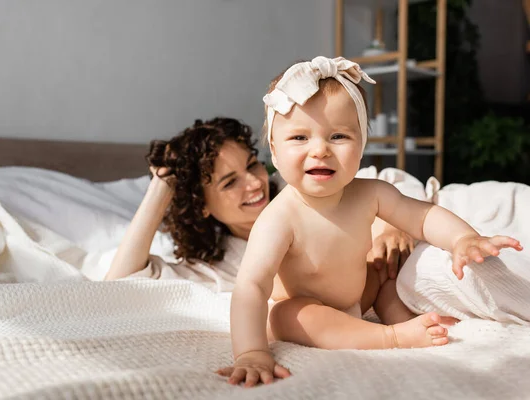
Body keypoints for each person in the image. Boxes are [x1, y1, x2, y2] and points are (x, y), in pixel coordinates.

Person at [218, 56, 524, 387]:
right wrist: (250, 352)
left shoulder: (370, 193)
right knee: (290, 314)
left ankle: (409, 320)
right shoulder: (279, 218)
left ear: (361, 145)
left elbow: (420, 217)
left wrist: (463, 239)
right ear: (275, 153)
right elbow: (252, 284)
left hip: (359, 295)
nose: (320, 149)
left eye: (338, 136)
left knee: (384, 270)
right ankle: (389, 337)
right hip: (304, 308)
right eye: (299, 138)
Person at [105, 117, 413, 293]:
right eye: (229, 182)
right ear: (202, 207)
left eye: (252, 166)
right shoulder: (217, 268)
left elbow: (385, 181)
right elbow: (119, 284)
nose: (254, 183)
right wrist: (163, 184)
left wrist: (394, 225)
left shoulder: (300, 187)